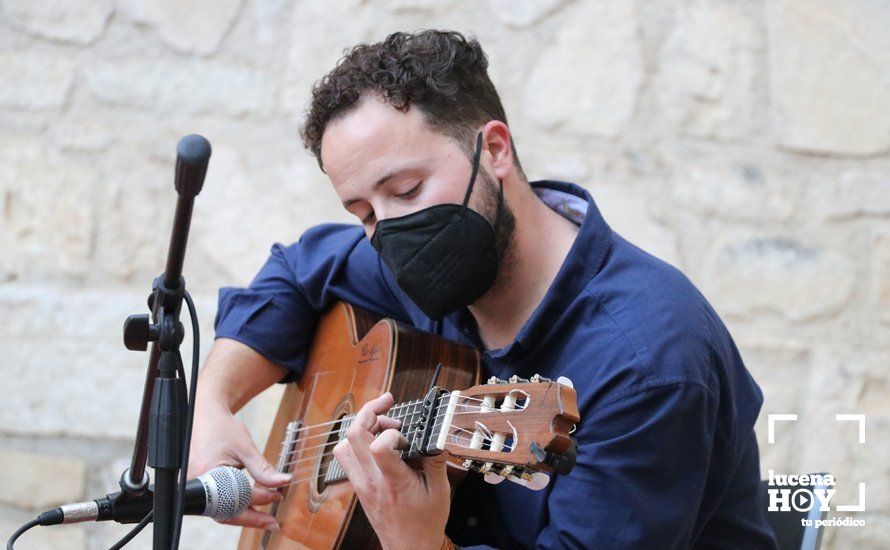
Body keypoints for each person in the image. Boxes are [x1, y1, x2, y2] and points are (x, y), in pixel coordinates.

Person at [189, 30, 778, 549]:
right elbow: (296, 272)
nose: (390, 233)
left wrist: (416, 541)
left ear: (494, 149)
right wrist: (211, 407)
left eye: (408, 188)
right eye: (364, 211)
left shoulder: (647, 362)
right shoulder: (416, 266)